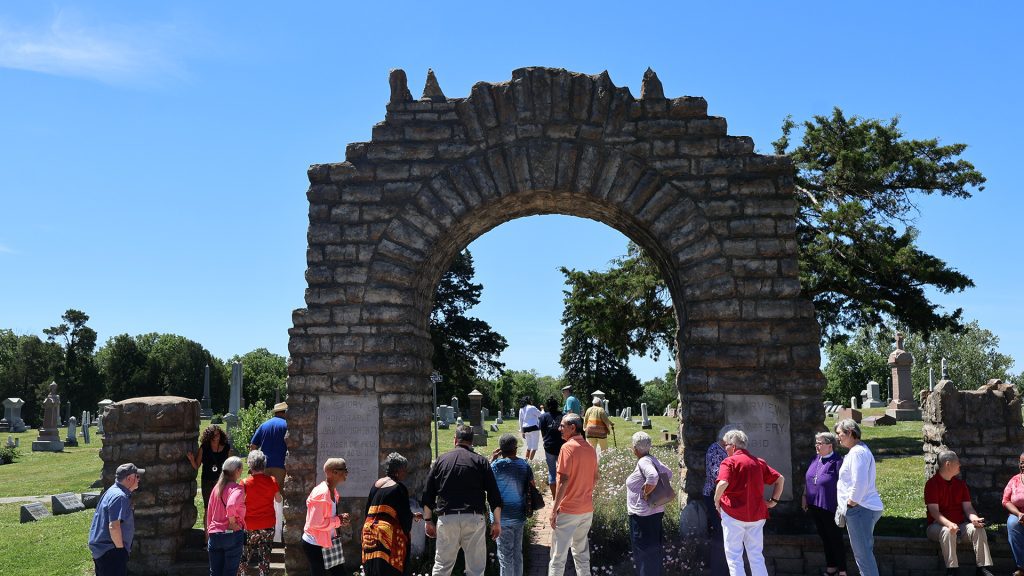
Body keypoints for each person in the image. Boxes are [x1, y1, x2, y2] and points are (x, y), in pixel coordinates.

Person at [422, 424, 503, 576]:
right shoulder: (481, 461)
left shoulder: (441, 461)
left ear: (455, 440)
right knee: (475, 569)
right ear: (471, 442)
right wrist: (497, 522)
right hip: (473, 517)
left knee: (442, 567)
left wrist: (427, 520)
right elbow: (494, 495)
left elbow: (428, 493)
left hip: (447, 518)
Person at [713, 429, 784, 576]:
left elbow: (723, 483)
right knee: (756, 555)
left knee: (734, 557)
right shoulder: (759, 462)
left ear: (733, 446)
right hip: (757, 515)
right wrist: (774, 501)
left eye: (726, 445)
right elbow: (780, 479)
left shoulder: (729, 461)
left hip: (733, 513)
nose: (725, 448)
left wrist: (716, 500)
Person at [925, 450, 994, 576]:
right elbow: (934, 512)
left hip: (960, 525)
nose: (960, 465)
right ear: (948, 464)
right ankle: (952, 570)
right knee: (947, 531)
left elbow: (968, 508)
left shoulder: (960, 485)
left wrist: (974, 519)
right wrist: (949, 524)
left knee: (977, 529)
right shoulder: (932, 485)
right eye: (957, 462)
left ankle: (983, 569)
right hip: (936, 526)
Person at [548, 413, 598, 576]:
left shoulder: (567, 447)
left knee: (558, 556)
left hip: (568, 509)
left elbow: (563, 480)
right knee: (581, 554)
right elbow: (595, 477)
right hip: (586, 509)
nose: (559, 429)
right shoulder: (590, 448)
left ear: (573, 427)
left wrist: (554, 509)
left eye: (562, 426)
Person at [835, 418, 883, 576]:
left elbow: (860, 482)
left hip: (860, 509)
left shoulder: (857, 453)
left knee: (863, 556)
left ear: (850, 433)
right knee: (862, 554)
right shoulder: (857, 451)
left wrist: (850, 504)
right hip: (860, 508)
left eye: (840, 434)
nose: (838, 437)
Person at [626, 431, 672, 576]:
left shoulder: (643, 461)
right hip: (655, 514)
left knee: (644, 556)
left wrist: (646, 492)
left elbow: (653, 476)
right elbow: (669, 473)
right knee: (653, 554)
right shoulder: (652, 459)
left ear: (635, 448)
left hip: (642, 517)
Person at [362, 452, 416, 576]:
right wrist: (409, 521)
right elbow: (404, 517)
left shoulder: (376, 484)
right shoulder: (399, 488)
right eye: (404, 469)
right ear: (397, 471)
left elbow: (369, 511)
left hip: (369, 532)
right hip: (387, 535)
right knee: (389, 570)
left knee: (374, 569)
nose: (405, 473)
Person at [802, 432, 846, 576]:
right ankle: (831, 568)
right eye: (816, 443)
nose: (817, 446)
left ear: (830, 446)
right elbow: (809, 478)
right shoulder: (816, 458)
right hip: (814, 504)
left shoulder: (837, 462)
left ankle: (842, 571)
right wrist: (804, 495)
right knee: (825, 538)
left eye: (820, 443)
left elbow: (844, 484)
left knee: (835, 539)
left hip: (830, 506)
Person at [88, 463, 144, 576]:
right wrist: (120, 551)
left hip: (105, 551)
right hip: (111, 552)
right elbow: (114, 526)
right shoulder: (120, 496)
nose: (139, 479)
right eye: (137, 476)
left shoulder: (113, 491)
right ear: (129, 478)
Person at [490, 433, 534, 576]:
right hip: (519, 515)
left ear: (501, 449)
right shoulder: (524, 465)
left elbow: (487, 483)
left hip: (501, 518)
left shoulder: (496, 466)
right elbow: (532, 487)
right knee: (517, 554)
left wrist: (492, 459)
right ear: (515, 448)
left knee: (505, 557)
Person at [303, 458, 351, 576]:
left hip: (327, 541)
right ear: (334, 472)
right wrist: (338, 520)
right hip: (315, 544)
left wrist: (340, 519)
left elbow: (327, 516)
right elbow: (316, 523)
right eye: (344, 469)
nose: (347, 472)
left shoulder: (332, 491)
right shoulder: (322, 493)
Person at [703, 424, 739, 576]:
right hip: (714, 496)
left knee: (728, 533)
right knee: (720, 532)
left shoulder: (731, 451)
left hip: (728, 496)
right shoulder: (714, 450)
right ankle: (719, 571)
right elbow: (717, 475)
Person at [239, 450, 282, 576]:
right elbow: (278, 499)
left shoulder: (244, 483)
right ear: (264, 464)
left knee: (244, 556)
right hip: (268, 524)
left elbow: (239, 502)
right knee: (265, 558)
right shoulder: (272, 480)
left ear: (250, 465)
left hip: (250, 525)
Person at [206, 455, 246, 576]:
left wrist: (209, 530)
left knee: (215, 573)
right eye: (241, 469)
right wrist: (232, 522)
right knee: (229, 572)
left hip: (214, 535)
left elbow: (209, 512)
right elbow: (231, 505)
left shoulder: (216, 488)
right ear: (237, 470)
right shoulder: (237, 489)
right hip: (231, 534)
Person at [187, 424, 232, 524]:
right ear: (209, 436)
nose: (216, 437)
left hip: (221, 481)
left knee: (221, 507)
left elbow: (230, 467)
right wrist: (191, 460)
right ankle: (206, 533)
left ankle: (219, 530)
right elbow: (196, 466)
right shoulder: (204, 448)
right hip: (207, 481)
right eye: (214, 435)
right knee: (207, 508)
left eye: (218, 434)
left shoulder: (226, 448)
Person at [250, 402, 288, 489]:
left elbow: (253, 446)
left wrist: (253, 464)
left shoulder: (263, 425)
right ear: (285, 412)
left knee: (264, 492)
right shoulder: (286, 425)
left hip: (263, 466)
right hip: (281, 465)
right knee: (278, 493)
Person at [1002, 451, 1024, 576]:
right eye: (1021, 463)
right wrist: (1019, 514)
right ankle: (1021, 567)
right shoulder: (1014, 480)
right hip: (1018, 513)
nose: (1023, 465)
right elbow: (1006, 501)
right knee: (1013, 524)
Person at [539, 397, 565, 494]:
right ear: (557, 405)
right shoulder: (563, 416)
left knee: (552, 471)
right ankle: (561, 494)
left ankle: (554, 497)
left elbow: (543, 432)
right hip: (561, 446)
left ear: (547, 406)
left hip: (549, 446)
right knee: (562, 471)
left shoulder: (543, 417)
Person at [518, 396, 542, 461]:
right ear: (529, 401)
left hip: (525, 429)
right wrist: (542, 410)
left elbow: (520, 421)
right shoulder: (532, 407)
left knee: (529, 447)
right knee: (534, 448)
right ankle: (530, 462)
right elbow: (540, 415)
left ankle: (526, 461)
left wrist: (522, 432)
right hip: (533, 428)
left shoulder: (521, 409)